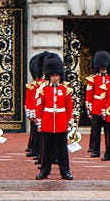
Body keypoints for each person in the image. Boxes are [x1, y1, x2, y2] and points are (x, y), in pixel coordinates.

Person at [35, 53, 73, 181]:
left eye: (57, 75)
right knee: (46, 150)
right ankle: (44, 171)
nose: (55, 78)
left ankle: (65, 171)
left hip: (61, 122)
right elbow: (39, 108)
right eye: (53, 75)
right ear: (49, 76)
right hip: (47, 122)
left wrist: (69, 121)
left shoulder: (66, 90)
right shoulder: (43, 90)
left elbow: (69, 108)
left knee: (62, 150)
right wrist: (39, 122)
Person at [85, 51, 110, 159]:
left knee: (109, 131)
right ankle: (95, 150)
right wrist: (89, 110)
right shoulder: (93, 79)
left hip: (108, 108)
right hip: (96, 108)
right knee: (96, 131)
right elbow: (89, 96)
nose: (102, 68)